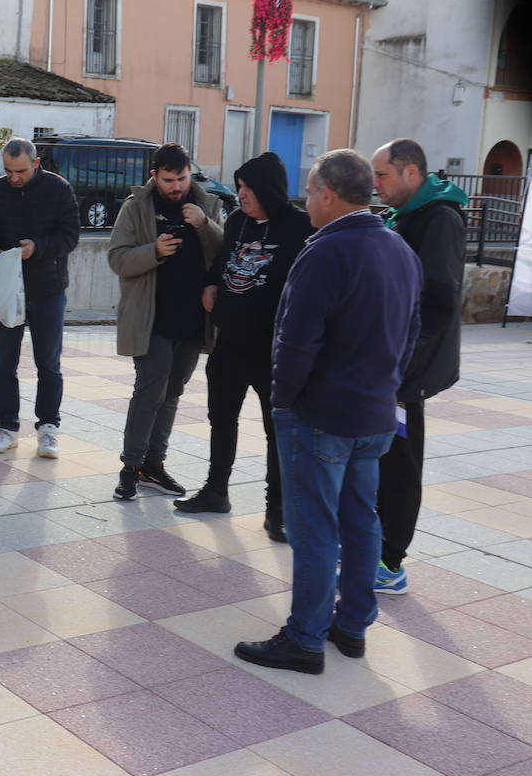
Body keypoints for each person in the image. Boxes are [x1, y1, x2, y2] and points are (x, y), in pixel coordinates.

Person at [235, 149, 421, 674]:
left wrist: (283, 400)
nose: (306, 199)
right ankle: (352, 625)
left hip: (322, 414)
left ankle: (305, 638)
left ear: (329, 194)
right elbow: (411, 332)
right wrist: (386, 387)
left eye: (311, 189)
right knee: (361, 521)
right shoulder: (398, 248)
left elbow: (296, 341)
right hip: (375, 413)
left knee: (315, 528)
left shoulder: (326, 252)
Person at [175, 153, 313, 542]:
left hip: (274, 352)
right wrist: (210, 284)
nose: (242, 195)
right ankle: (216, 491)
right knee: (221, 419)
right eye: (239, 188)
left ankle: (278, 510)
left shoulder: (299, 227)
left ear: (268, 189)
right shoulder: (236, 222)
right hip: (230, 345)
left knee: (277, 432)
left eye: (248, 189)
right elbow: (219, 264)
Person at [370, 139, 467, 595]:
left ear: (411, 172)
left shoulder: (439, 219)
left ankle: (390, 563)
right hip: (394, 365)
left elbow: (438, 301)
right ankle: (376, 549)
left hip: (406, 372)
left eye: (383, 175)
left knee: (402, 466)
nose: (376, 184)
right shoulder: (408, 215)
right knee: (384, 460)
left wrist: (402, 367)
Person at [108, 143, 223, 500]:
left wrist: (205, 225)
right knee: (149, 391)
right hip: (150, 319)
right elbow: (117, 259)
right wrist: (154, 251)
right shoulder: (136, 208)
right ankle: (130, 466)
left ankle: (153, 465)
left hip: (191, 321)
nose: (177, 186)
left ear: (191, 173)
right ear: (155, 176)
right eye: (170, 179)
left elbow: (225, 254)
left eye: (183, 178)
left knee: (172, 393)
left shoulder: (209, 205)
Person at [0, 138, 81, 458]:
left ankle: (48, 428)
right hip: (7, 289)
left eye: (20, 170)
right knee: (3, 362)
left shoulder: (59, 189)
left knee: (48, 363)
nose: (14, 177)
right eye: (8, 171)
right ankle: (6, 427)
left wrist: (38, 247)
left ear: (35, 164)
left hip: (48, 289)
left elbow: (71, 235)